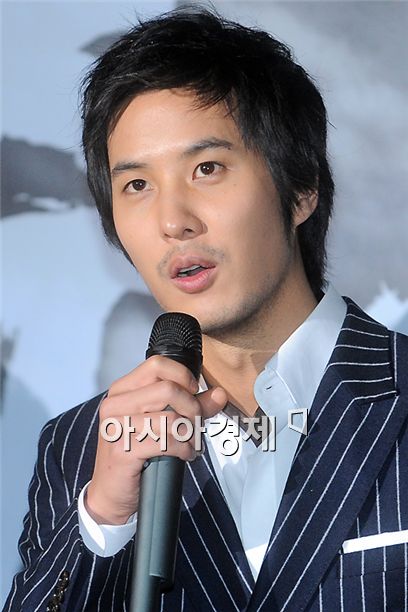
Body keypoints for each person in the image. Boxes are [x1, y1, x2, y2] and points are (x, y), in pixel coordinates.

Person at [5, 7, 408, 612]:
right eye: (137, 185)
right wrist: (104, 520)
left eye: (207, 168)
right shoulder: (77, 448)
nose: (173, 221)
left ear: (301, 187)